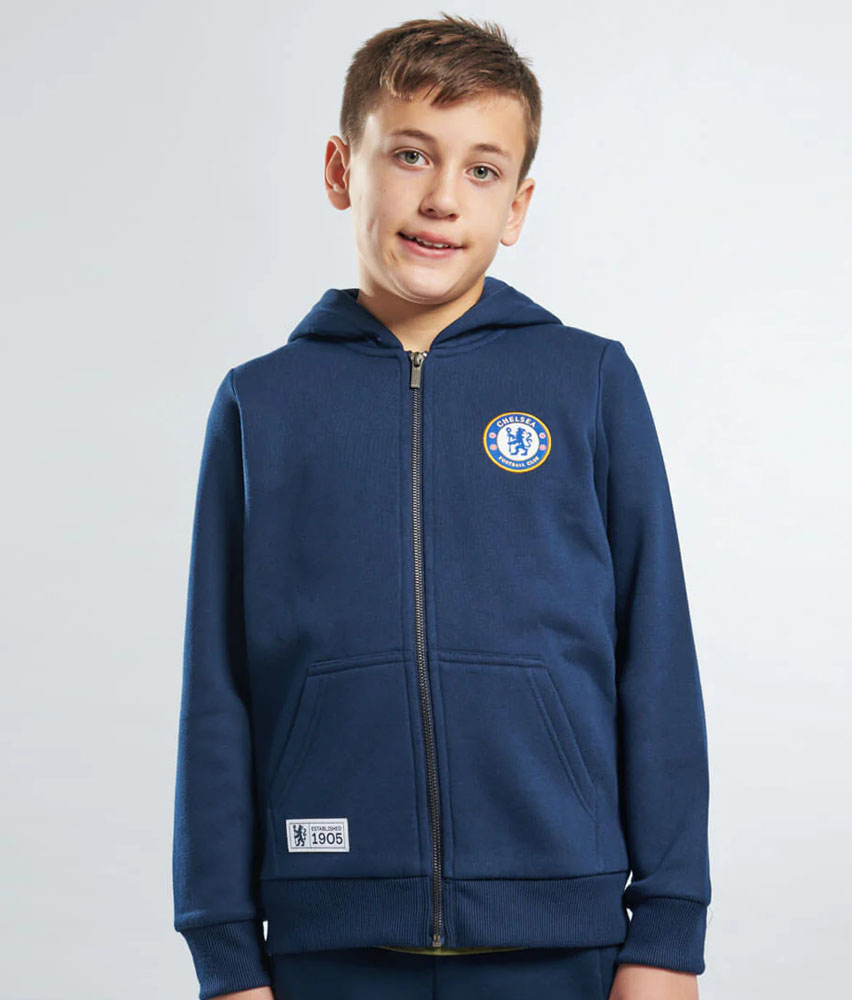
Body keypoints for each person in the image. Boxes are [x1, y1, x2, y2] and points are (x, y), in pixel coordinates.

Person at [172, 13, 711, 1000]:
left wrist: (667, 936)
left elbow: (658, 660)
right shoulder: (263, 403)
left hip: (561, 938)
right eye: (411, 154)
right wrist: (225, 957)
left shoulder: (586, 382)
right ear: (342, 168)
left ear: (518, 205)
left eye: (482, 169)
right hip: (327, 939)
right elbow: (218, 690)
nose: (441, 198)